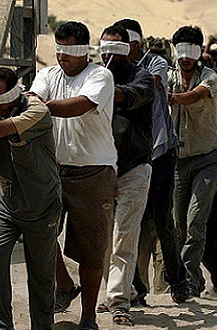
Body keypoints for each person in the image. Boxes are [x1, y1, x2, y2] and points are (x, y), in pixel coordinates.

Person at [29, 21, 118, 330]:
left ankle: (89, 317)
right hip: (53, 170)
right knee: (39, 235)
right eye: (59, 48)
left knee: (92, 251)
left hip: (92, 173)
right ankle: (65, 286)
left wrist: (39, 108)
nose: (62, 56)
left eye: (68, 50)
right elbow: (33, 98)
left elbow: (80, 106)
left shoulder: (100, 76)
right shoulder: (47, 75)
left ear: (83, 51)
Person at [0, 67, 61, 330]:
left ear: (15, 92)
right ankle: (1, 326)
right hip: (6, 204)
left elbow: (2, 128)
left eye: (2, 100)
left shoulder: (37, 110)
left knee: (41, 277)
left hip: (42, 205)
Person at [113, 18, 189, 304]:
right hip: (130, 154)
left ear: (137, 45)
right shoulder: (110, 70)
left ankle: (177, 278)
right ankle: (136, 289)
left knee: (161, 218)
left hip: (160, 151)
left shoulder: (153, 63)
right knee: (127, 224)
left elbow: (150, 85)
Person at [100, 25, 154, 326]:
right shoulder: (94, 76)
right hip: (101, 170)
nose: (109, 54)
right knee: (102, 239)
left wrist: (103, 88)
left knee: (124, 237)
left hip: (134, 168)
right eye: (105, 47)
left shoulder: (141, 76)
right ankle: (120, 291)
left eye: (117, 48)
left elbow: (131, 96)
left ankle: (119, 302)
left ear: (130, 48)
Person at [168, 25, 217, 298]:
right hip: (178, 160)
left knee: (196, 221)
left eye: (191, 50)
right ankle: (190, 280)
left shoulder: (209, 77)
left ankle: (190, 281)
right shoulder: (168, 76)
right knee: (179, 225)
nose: (185, 57)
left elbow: (196, 95)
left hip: (207, 158)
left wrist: (172, 98)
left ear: (199, 52)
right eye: (181, 50)